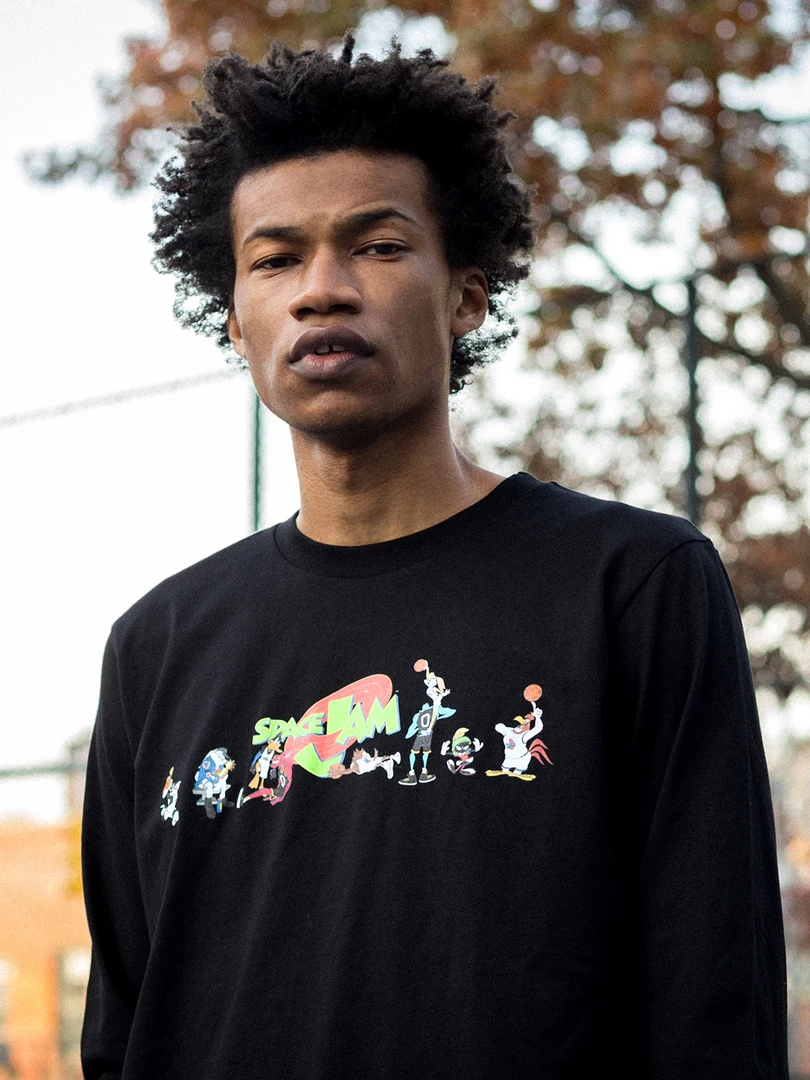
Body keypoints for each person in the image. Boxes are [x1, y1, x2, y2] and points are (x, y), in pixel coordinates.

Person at [80, 35, 788, 1080]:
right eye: (275, 259)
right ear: (233, 319)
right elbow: (124, 1025)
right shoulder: (157, 646)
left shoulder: (632, 585)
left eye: (376, 245)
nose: (321, 290)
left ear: (466, 295)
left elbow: (715, 1008)